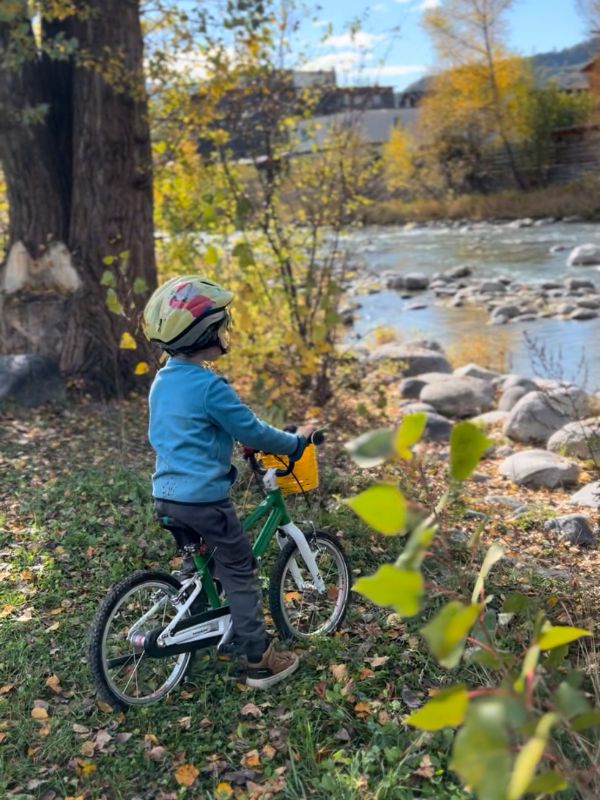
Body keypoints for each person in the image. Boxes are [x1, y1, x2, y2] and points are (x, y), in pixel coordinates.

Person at [142, 275, 313, 688]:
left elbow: (186, 429)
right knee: (239, 569)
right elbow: (252, 430)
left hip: (166, 495)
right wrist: (293, 444)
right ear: (206, 334)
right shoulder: (209, 386)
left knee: (200, 563)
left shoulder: (162, 381)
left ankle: (201, 626)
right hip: (204, 500)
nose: (225, 331)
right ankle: (258, 658)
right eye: (221, 325)